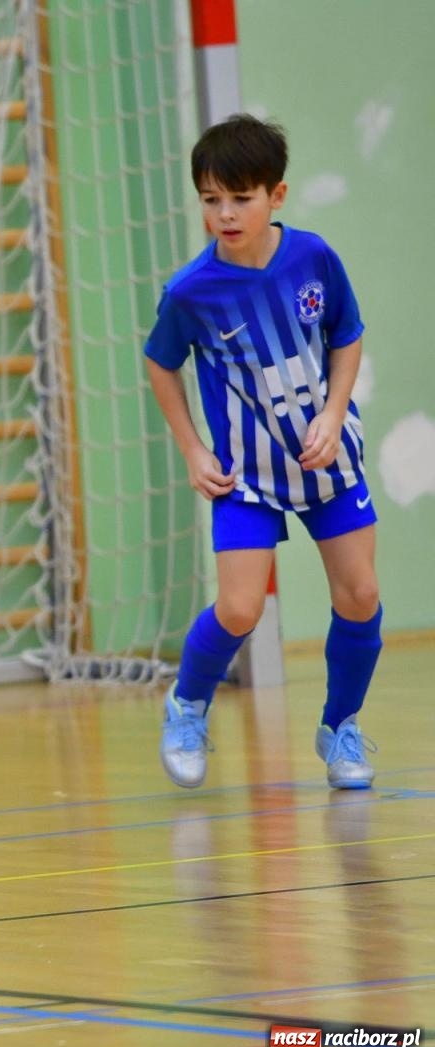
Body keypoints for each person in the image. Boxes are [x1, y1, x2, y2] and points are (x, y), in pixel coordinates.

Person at [145, 114, 382, 791]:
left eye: (240, 198)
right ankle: (188, 704)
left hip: (326, 462)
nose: (224, 213)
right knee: (242, 609)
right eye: (210, 199)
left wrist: (334, 414)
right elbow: (161, 364)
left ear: (276, 196)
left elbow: (347, 334)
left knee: (360, 593)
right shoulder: (191, 291)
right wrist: (193, 448)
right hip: (247, 477)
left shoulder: (313, 257)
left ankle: (340, 726)